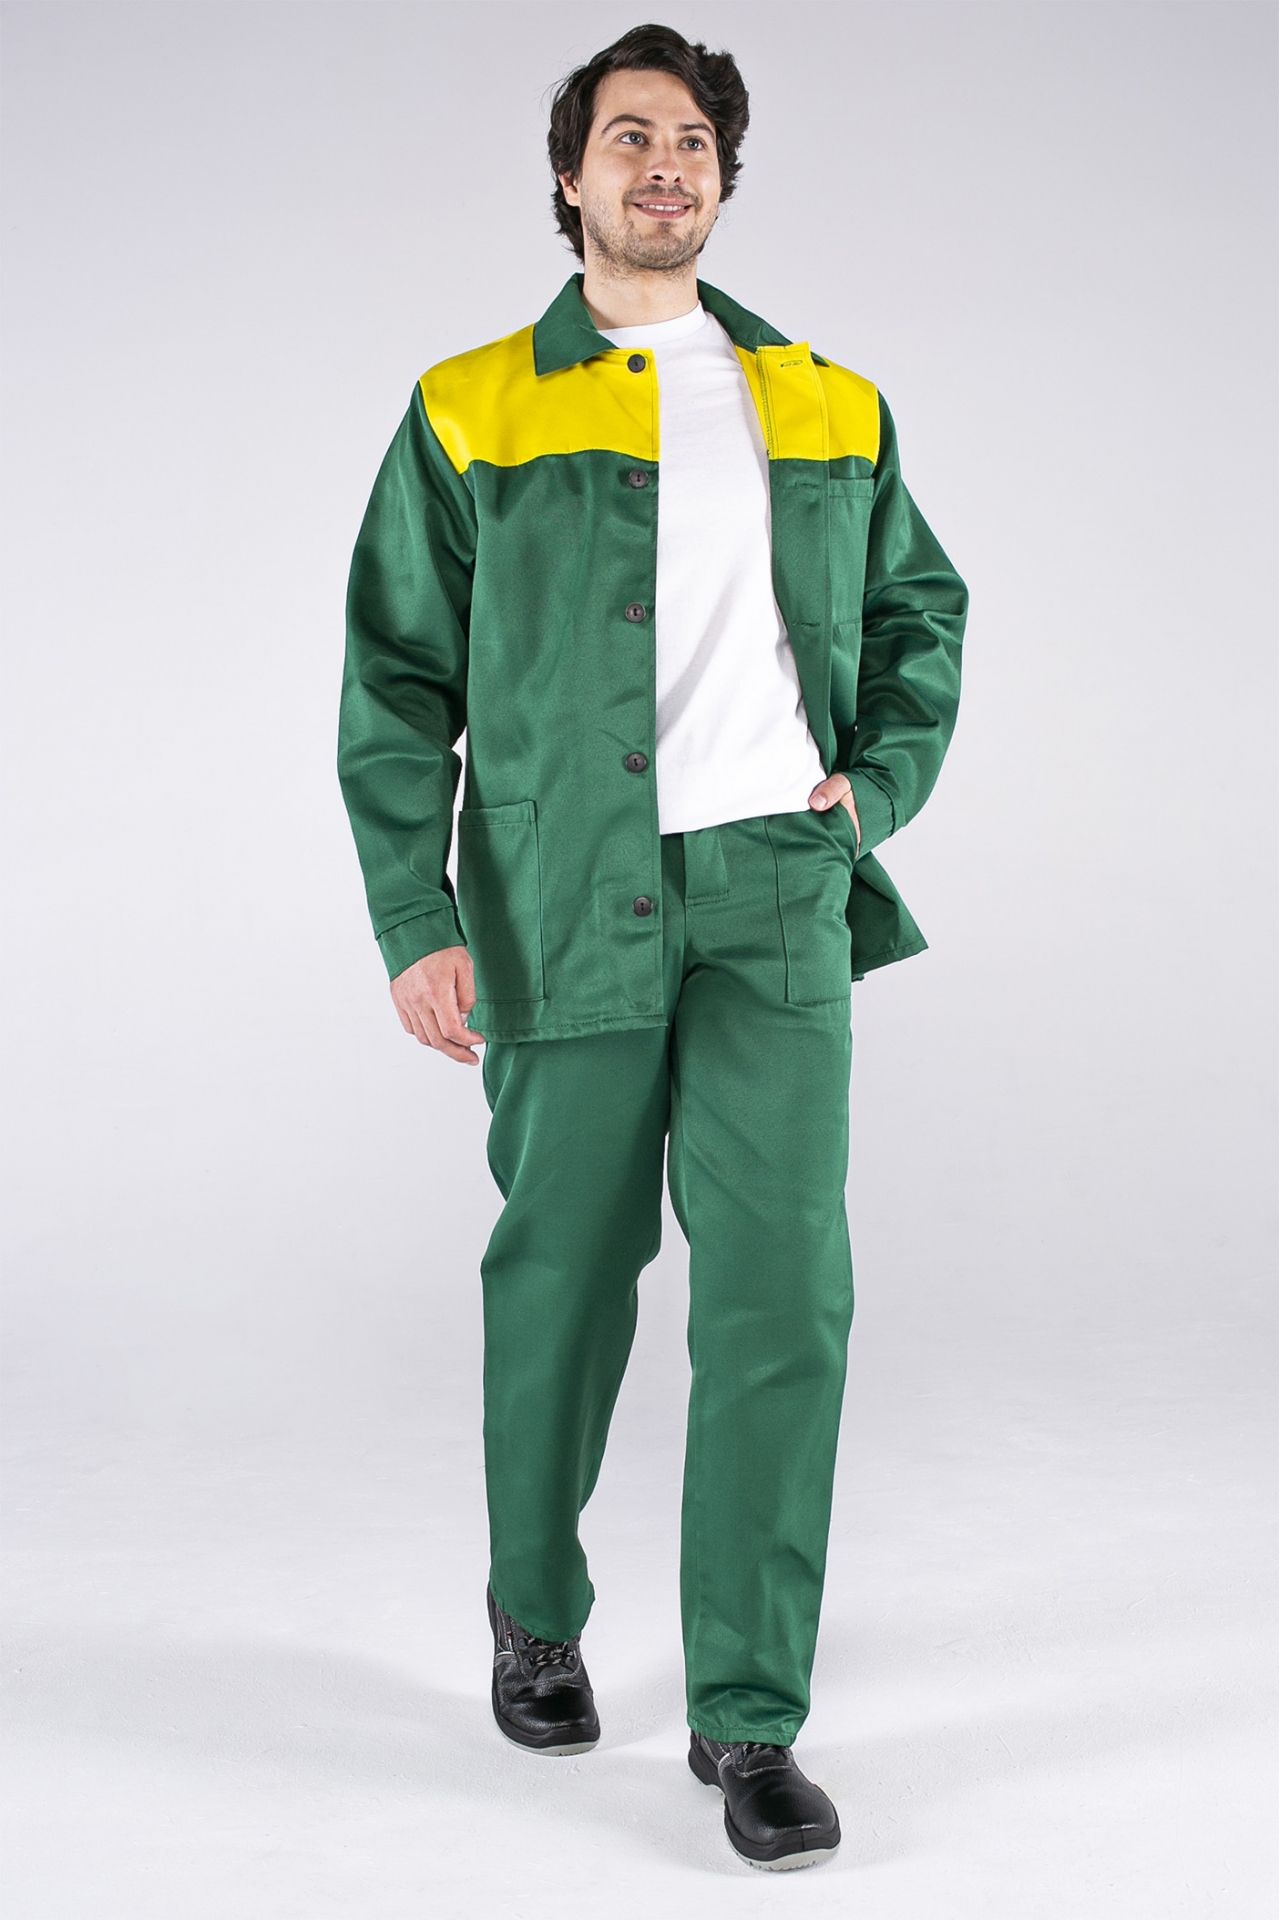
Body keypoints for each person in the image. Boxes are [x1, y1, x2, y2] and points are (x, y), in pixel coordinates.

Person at [337, 22, 967, 1873]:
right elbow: (396, 678)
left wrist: (873, 788)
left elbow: (923, 611)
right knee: (563, 1271)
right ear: (572, 176)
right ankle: (535, 1613)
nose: (662, 165)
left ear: (722, 177)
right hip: (559, 900)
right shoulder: (471, 406)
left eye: (691, 140)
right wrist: (415, 916)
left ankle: (748, 1717)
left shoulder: (827, 400)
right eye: (628, 137)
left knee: (784, 1297)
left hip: (776, 890)